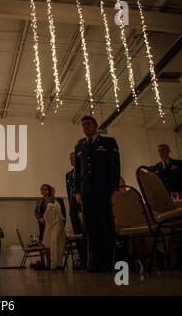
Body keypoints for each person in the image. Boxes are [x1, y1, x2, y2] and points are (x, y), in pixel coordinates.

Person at [74, 116, 120, 273]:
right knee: (91, 229)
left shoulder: (108, 142)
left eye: (88, 124)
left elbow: (114, 167)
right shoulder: (80, 147)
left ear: (96, 126)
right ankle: (95, 262)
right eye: (83, 125)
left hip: (103, 191)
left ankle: (108, 262)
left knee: (105, 227)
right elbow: (77, 172)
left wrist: (114, 189)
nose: (86, 127)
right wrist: (77, 191)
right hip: (87, 193)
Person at [66, 152, 87, 269]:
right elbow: (69, 192)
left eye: (73, 157)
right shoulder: (68, 175)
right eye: (70, 158)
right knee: (77, 233)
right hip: (73, 208)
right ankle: (82, 259)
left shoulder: (85, 172)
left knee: (87, 232)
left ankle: (90, 258)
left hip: (84, 206)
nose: (71, 159)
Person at [42, 185, 66, 270]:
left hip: (56, 223)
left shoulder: (58, 200)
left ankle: (56, 263)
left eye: (45, 190)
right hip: (47, 224)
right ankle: (48, 264)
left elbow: (62, 213)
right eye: (42, 190)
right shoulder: (41, 201)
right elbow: (39, 212)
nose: (43, 191)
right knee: (47, 243)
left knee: (56, 243)